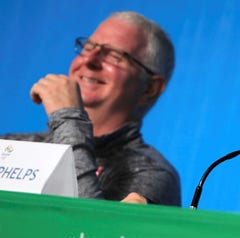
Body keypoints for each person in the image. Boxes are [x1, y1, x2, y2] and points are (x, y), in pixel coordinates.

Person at [1, 11, 180, 205]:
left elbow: (90, 231)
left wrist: (69, 118)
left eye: (114, 55)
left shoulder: (151, 173)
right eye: (88, 47)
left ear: (150, 89)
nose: (89, 60)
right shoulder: (12, 146)